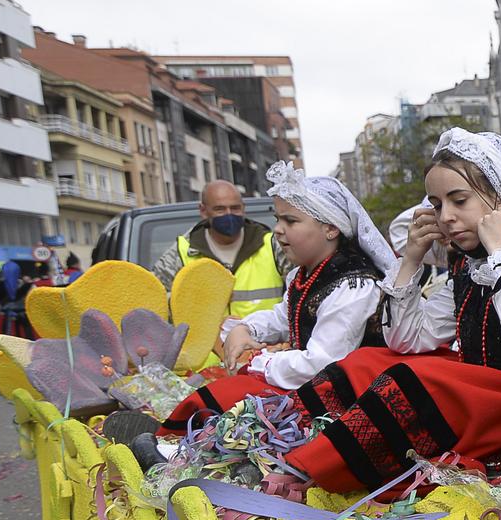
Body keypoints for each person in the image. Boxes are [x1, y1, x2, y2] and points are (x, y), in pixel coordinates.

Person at [281, 130, 501, 492]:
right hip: (488, 397)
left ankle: (314, 471)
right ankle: (293, 430)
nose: (445, 217)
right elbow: (408, 339)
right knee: (367, 360)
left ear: (500, 198)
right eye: (437, 204)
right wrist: (411, 259)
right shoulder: (468, 263)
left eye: (459, 201)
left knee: (418, 381)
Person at [162, 164, 392, 428]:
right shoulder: (305, 276)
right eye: (278, 218)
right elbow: (281, 318)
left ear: (331, 228)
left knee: (225, 403)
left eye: (290, 221)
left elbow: (322, 361)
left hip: (351, 404)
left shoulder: (353, 285)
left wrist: (259, 361)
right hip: (312, 390)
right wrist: (244, 329)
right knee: (218, 399)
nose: (278, 229)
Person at [151, 179, 288, 319]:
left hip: (264, 339)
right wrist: (193, 300)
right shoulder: (183, 252)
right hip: (204, 340)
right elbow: (154, 301)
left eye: (235, 208)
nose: (229, 214)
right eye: (220, 209)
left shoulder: (272, 246)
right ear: (203, 211)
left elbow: (303, 288)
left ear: (243, 208)